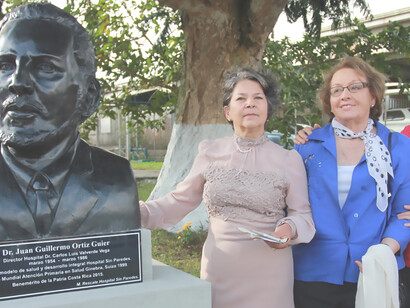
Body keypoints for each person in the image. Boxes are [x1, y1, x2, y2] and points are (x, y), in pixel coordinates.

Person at [139, 67, 315, 308]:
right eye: (241, 98)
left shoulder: (289, 159)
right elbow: (180, 200)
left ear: (268, 109)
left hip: (270, 275)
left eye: (258, 98)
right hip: (218, 272)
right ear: (227, 111)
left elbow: (302, 215)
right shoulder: (209, 150)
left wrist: (287, 228)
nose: (250, 104)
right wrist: (134, 212)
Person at [0, 3, 140, 241]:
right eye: (4, 65)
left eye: (45, 67)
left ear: (89, 97)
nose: (17, 82)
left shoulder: (116, 178)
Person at [291, 56, 410, 308]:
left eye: (355, 87)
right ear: (330, 102)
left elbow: (405, 213)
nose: (345, 94)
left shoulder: (399, 147)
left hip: (374, 273)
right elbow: (290, 207)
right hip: (313, 273)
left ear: (373, 97)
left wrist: (384, 252)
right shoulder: (307, 147)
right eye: (337, 90)